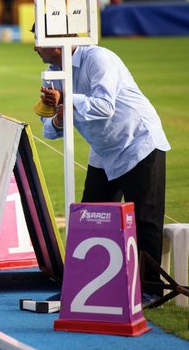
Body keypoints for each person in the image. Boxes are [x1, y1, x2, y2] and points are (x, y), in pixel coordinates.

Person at [35, 35, 171, 305]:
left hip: (138, 141)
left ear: (58, 40)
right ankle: (82, 287)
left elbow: (105, 106)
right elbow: (49, 128)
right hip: (104, 150)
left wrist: (67, 99)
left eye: (39, 40)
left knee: (146, 221)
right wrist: (60, 117)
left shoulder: (99, 58)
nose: (34, 46)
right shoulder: (52, 74)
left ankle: (151, 292)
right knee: (91, 219)